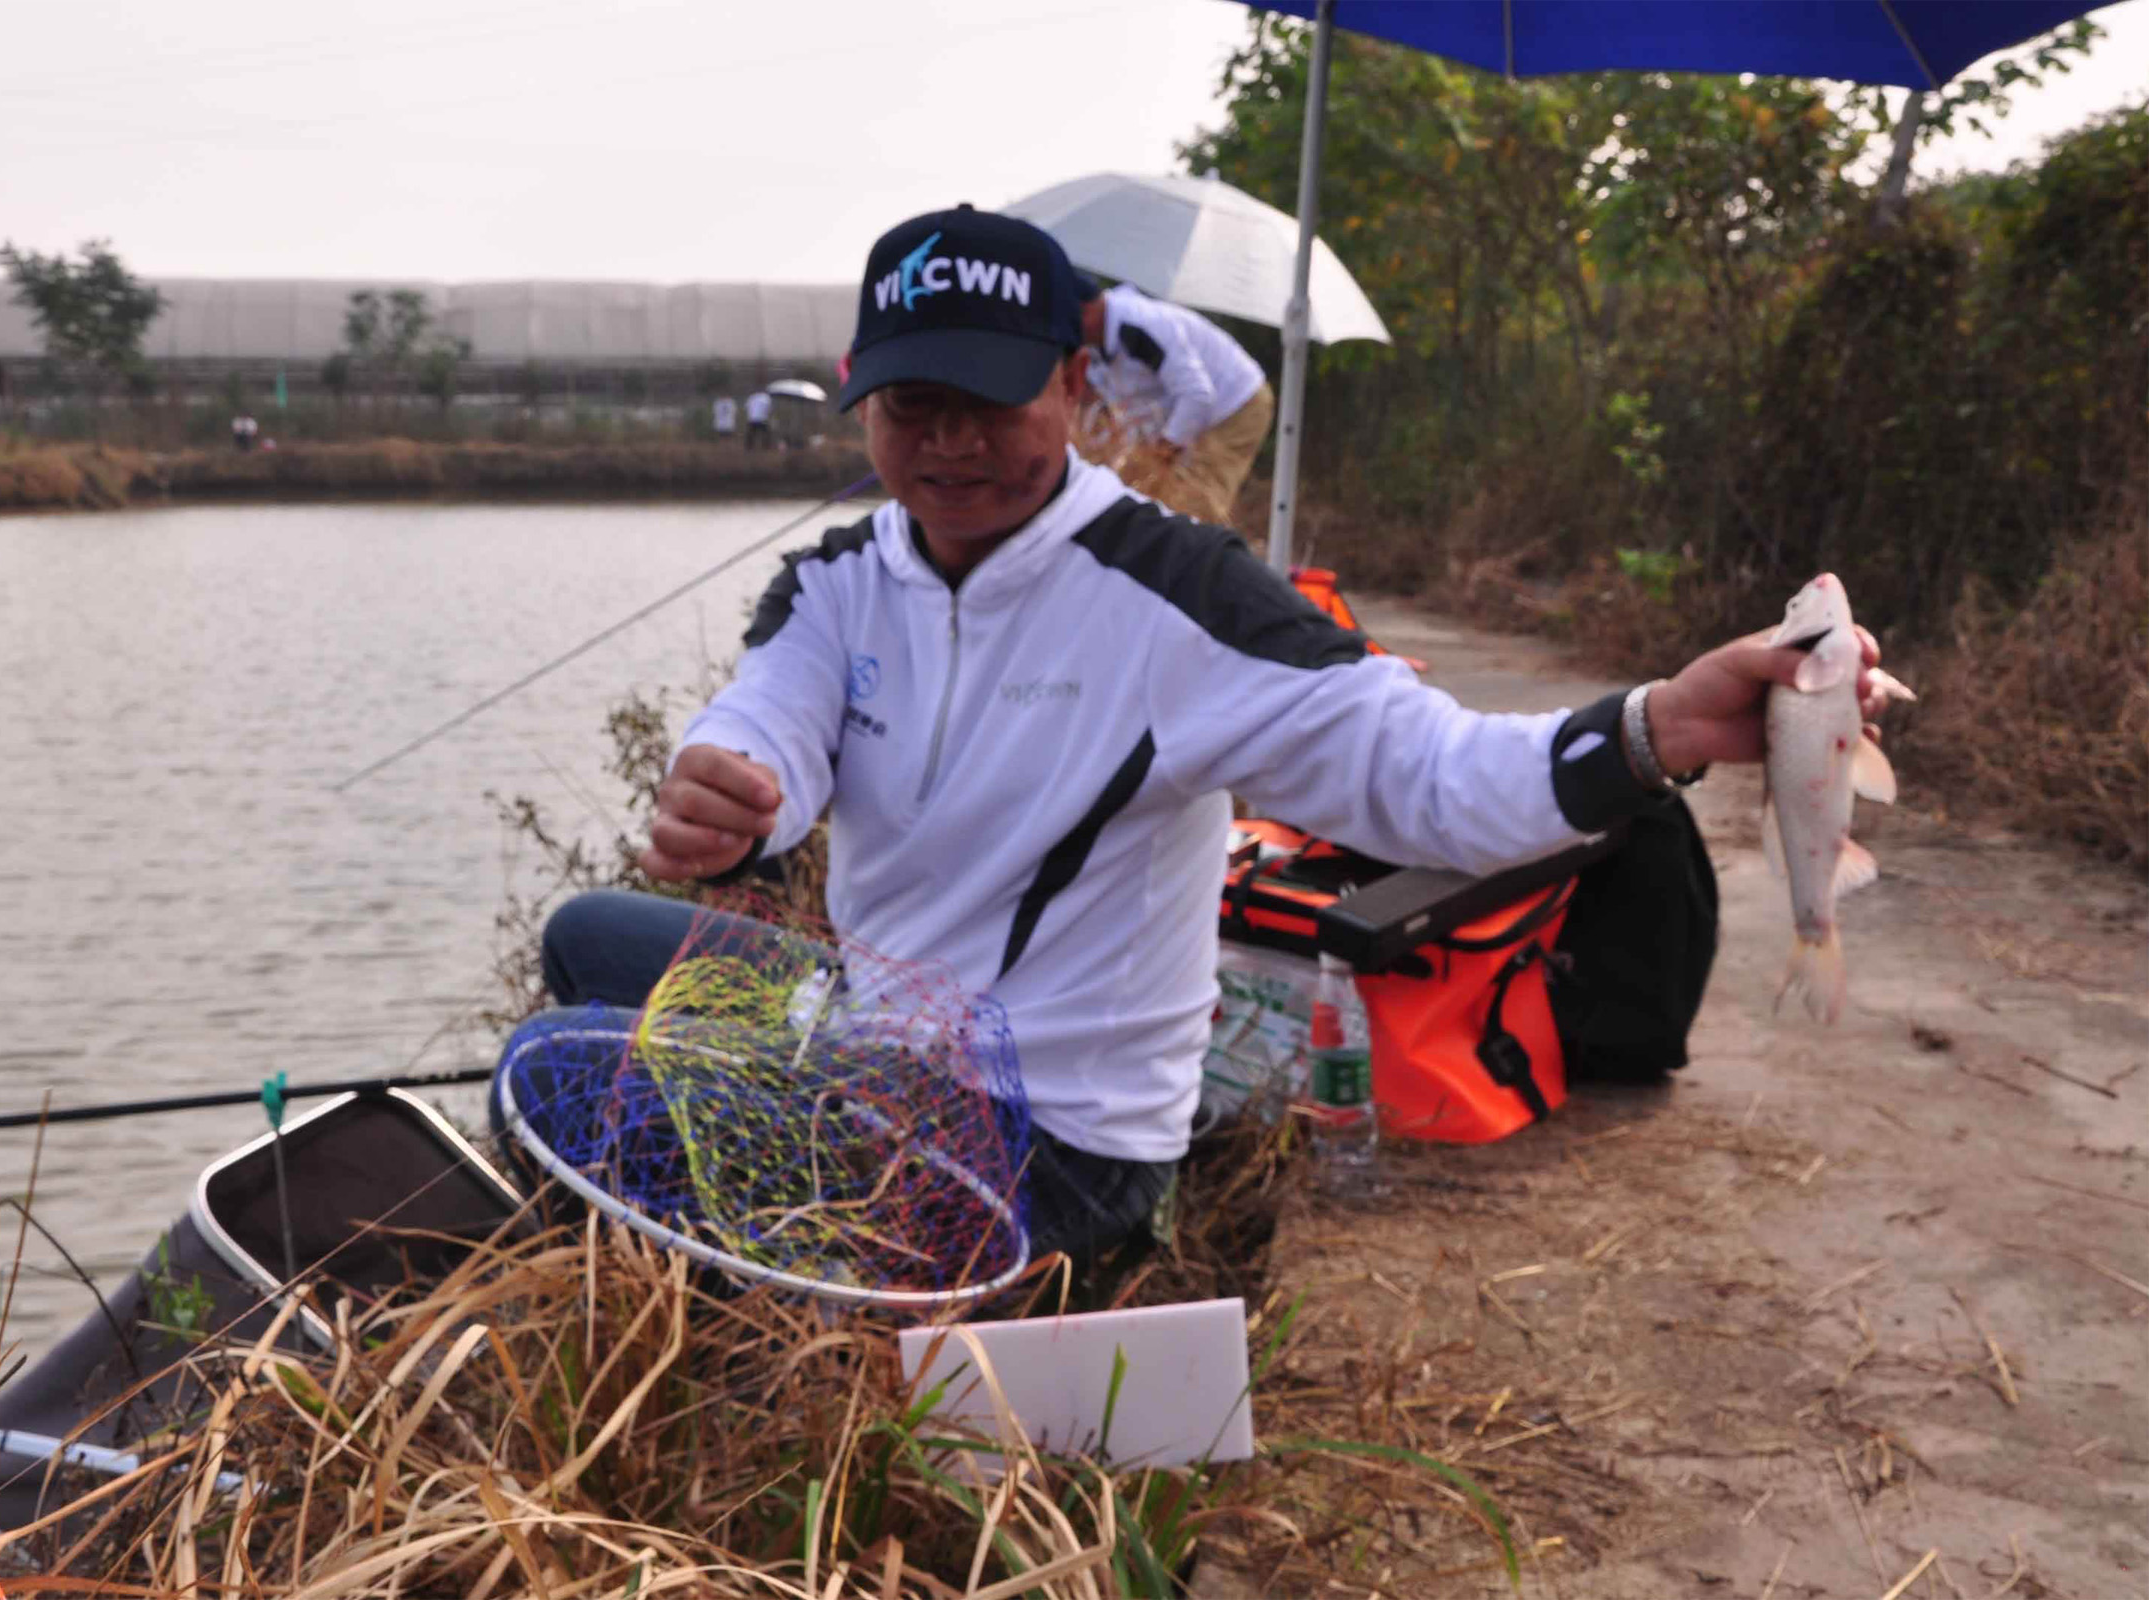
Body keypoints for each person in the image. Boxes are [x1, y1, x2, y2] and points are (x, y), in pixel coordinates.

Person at [513, 205, 1897, 1274]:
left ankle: (713, 1297)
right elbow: (772, 716)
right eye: (912, 404)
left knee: (552, 1070)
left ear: (1073, 384)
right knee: (590, 935)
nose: (951, 443)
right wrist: (735, 787)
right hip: (882, 1040)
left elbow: (1427, 778)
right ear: (857, 394)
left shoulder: (1179, 592)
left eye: (993, 401)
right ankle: (714, 1234)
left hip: (1047, 1146)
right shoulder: (834, 579)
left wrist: (1657, 729)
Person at [1075, 276, 1274, 527]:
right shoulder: (1093, 346)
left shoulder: (1140, 326)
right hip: (1190, 412)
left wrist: (1165, 448)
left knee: (1194, 501)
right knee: (1148, 493)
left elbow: (1198, 395)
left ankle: (1202, 562)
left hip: (1236, 403)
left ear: (1085, 312)